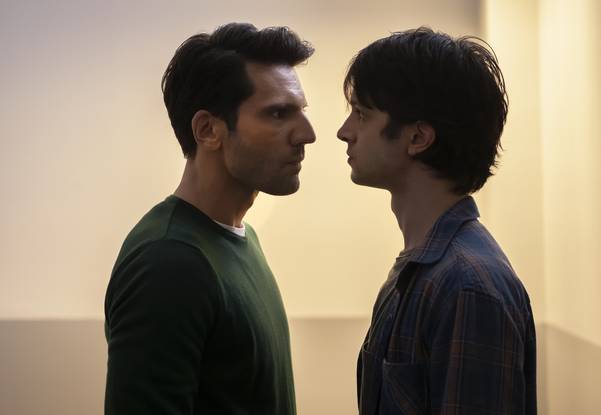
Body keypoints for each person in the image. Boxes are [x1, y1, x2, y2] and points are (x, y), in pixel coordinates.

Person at [104, 23, 315, 414]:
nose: (307, 134)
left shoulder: (238, 238)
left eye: (302, 112)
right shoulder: (168, 261)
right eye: (278, 113)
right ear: (208, 130)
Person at [337, 27, 537, 414]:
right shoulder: (420, 270)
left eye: (361, 114)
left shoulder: (468, 286)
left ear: (418, 138)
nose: (344, 132)